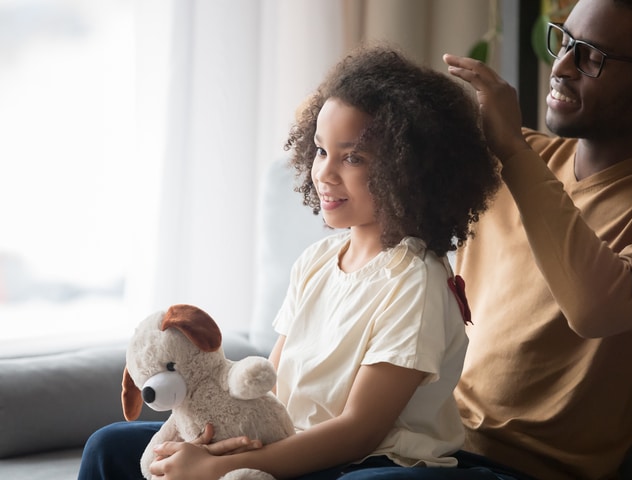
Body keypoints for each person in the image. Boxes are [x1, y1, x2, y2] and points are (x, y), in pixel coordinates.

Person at [77, 44, 500, 479]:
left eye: (352, 157)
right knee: (110, 446)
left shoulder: (416, 281)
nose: (324, 173)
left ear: (408, 170)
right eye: (320, 150)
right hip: (290, 439)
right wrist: (217, 444)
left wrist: (228, 466)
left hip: (376, 462)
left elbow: (360, 433)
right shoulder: (316, 262)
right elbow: (267, 383)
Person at [339, 0, 632, 479]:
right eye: (564, 42)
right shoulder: (502, 154)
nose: (560, 67)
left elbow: (595, 307)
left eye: (592, 56)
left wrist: (516, 153)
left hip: (518, 469)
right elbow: (363, 169)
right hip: (415, 441)